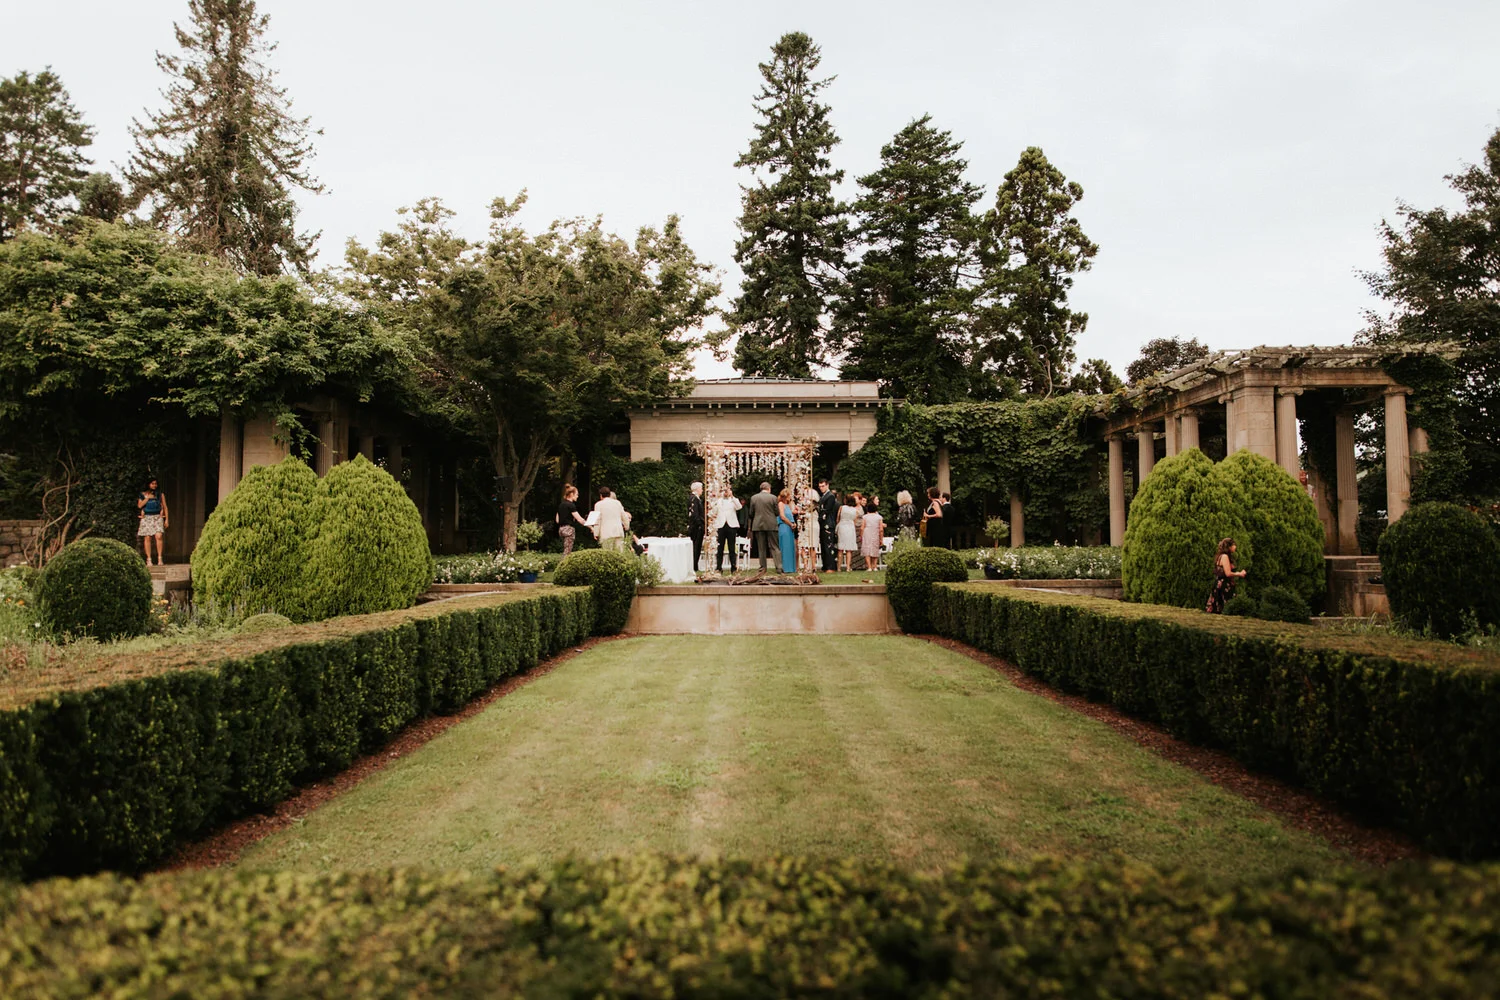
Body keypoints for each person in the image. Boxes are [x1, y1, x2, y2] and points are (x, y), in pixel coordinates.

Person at [1206, 537, 1247, 613]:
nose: (1235, 547)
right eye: (1234, 545)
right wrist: (1239, 574)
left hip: (1221, 584)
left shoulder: (1222, 556)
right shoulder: (1224, 557)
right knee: (1226, 607)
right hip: (1224, 585)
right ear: (1229, 546)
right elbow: (1227, 573)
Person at [747, 482, 781, 573]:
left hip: (758, 525)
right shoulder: (773, 498)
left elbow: (751, 513)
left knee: (761, 547)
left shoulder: (754, 498)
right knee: (775, 546)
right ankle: (779, 567)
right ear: (769, 488)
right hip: (771, 524)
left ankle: (763, 567)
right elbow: (777, 512)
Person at [137, 477, 169, 566]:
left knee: (159, 536)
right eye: (152, 483)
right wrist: (147, 498)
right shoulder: (142, 494)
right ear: (148, 484)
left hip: (157, 517)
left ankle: (160, 558)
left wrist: (166, 519)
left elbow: (165, 507)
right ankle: (149, 559)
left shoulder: (160, 494)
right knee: (147, 537)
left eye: (155, 484)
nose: (154, 485)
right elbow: (139, 506)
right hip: (147, 517)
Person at [711, 488, 743, 573]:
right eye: (724, 491)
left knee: (732, 547)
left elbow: (739, 507)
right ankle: (718, 567)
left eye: (727, 491)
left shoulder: (733, 500)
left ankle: (733, 567)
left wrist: (732, 497)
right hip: (721, 525)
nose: (726, 492)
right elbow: (714, 511)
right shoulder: (718, 501)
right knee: (720, 547)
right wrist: (714, 499)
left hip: (731, 526)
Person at [593, 487, 629, 552]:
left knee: (608, 554)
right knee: (619, 554)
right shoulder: (617, 503)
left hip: (606, 533)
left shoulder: (598, 505)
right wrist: (626, 526)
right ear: (609, 494)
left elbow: (598, 519)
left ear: (601, 495)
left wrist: (596, 533)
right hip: (618, 531)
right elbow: (624, 516)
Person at [556, 485, 587, 556]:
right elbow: (579, 519)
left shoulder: (561, 505)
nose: (577, 496)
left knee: (565, 550)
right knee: (567, 552)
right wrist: (591, 527)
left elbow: (557, 520)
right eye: (576, 494)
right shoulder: (571, 505)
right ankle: (563, 566)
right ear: (571, 494)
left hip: (561, 529)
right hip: (568, 530)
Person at [817, 479, 839, 572]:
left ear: (827, 485)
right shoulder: (824, 496)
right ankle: (825, 565)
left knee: (829, 545)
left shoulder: (830, 496)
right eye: (820, 486)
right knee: (824, 545)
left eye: (823, 486)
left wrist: (820, 515)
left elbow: (827, 510)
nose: (821, 488)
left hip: (828, 523)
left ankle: (831, 566)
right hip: (823, 523)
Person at [798, 487, 821, 574]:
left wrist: (802, 513)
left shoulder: (813, 506)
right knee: (805, 546)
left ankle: (812, 566)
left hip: (812, 526)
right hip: (806, 526)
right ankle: (806, 566)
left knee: (811, 546)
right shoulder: (807, 505)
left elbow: (809, 515)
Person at [776, 488, 798, 575]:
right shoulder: (781, 504)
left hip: (789, 529)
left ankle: (791, 567)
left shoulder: (788, 505)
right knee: (785, 547)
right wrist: (790, 524)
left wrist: (794, 523)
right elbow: (782, 516)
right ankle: (785, 567)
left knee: (790, 547)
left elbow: (790, 516)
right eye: (789, 496)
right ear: (786, 496)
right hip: (784, 528)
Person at [836, 493, 860, 572]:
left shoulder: (842, 508)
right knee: (849, 549)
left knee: (840, 548)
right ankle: (848, 567)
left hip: (842, 526)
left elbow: (838, 518)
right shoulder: (855, 510)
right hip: (850, 527)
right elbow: (855, 521)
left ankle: (839, 567)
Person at [860, 502, 885, 571]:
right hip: (875, 533)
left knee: (867, 549)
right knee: (875, 548)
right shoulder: (879, 517)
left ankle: (869, 567)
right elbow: (881, 529)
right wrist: (881, 539)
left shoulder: (865, 517)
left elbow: (862, 527)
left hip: (867, 533)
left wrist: (861, 536)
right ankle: (875, 566)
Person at [687, 481, 706, 572]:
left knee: (697, 547)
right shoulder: (694, 499)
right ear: (697, 489)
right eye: (701, 488)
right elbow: (695, 514)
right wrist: (701, 524)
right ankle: (694, 566)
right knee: (696, 547)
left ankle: (695, 565)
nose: (702, 490)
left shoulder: (695, 498)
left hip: (697, 526)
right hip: (696, 527)